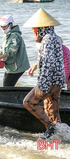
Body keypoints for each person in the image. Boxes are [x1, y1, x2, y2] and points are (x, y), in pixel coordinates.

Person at [22, 8, 65, 138]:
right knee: (53, 111)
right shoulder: (55, 37)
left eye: (34, 29)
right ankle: (61, 138)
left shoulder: (47, 40)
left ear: (41, 28)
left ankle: (51, 128)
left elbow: (48, 64)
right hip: (58, 80)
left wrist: (42, 86)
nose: (33, 31)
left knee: (29, 102)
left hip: (50, 81)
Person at [0, 15, 30, 86]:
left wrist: (0, 57)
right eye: (1, 27)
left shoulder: (14, 35)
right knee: (7, 85)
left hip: (17, 67)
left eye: (4, 26)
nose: (3, 28)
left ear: (10, 25)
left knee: (7, 86)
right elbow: (3, 51)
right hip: (11, 66)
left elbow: (12, 50)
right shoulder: (7, 35)